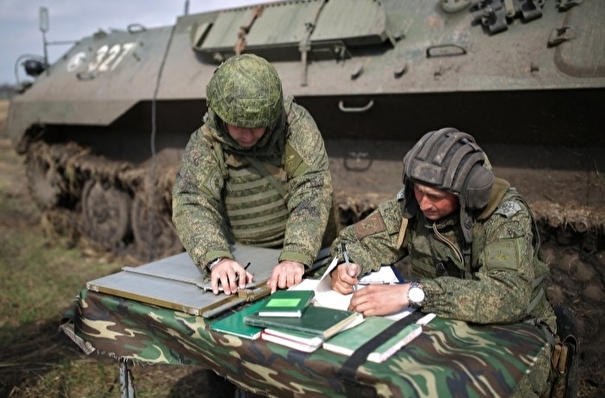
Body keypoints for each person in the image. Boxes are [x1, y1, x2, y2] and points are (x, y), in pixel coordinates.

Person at [329, 127, 557, 397]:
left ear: (467, 193)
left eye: (435, 197)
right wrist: (347, 265)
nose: (424, 204)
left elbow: (508, 295)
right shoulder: (412, 204)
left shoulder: (505, 217)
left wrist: (414, 293)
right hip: (441, 323)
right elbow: (353, 241)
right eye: (418, 190)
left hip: (515, 330)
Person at [172, 53, 336, 296]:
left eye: (257, 126)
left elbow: (311, 187)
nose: (248, 137)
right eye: (239, 126)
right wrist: (217, 258)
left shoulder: (294, 125)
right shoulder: (206, 142)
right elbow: (192, 201)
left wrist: (295, 255)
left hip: (307, 257)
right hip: (244, 260)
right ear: (220, 114)